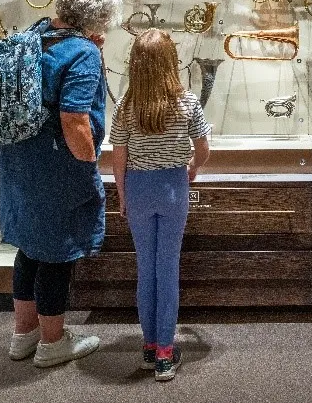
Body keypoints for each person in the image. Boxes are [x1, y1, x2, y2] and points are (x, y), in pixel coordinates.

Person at [0, 0, 121, 368]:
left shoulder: (37, 33)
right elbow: (74, 118)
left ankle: (24, 335)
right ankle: (53, 343)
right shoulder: (82, 53)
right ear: (101, 15)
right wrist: (89, 161)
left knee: (29, 249)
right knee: (57, 254)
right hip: (56, 165)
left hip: (19, 159)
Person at [109, 28, 211, 382]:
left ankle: (150, 347)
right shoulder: (187, 102)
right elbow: (203, 148)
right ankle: (166, 353)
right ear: (171, 62)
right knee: (168, 268)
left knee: (146, 268)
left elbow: (118, 158)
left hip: (138, 188)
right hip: (172, 188)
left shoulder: (125, 106)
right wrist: (192, 167)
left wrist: (123, 195)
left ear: (135, 64)